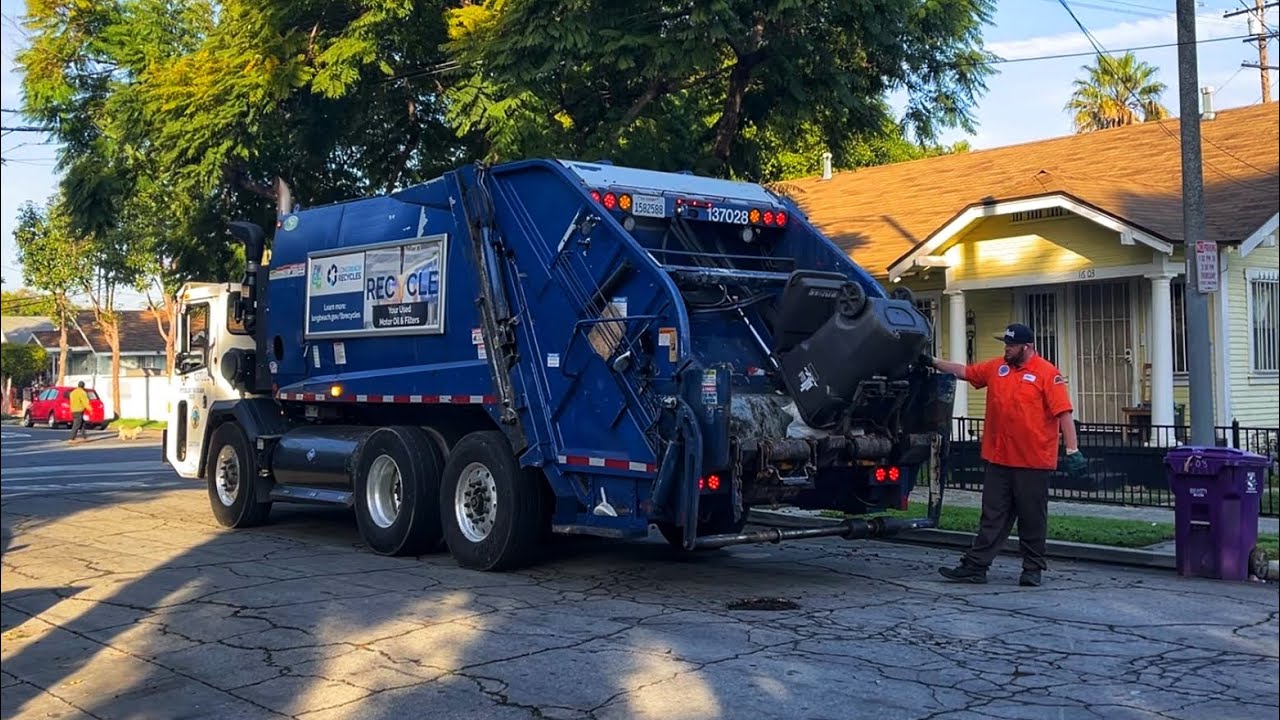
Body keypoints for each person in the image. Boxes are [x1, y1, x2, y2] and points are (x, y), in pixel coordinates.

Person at [920, 323, 1087, 587]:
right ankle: (976, 567)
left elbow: (1063, 412)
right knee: (992, 514)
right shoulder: (998, 368)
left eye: (1011, 345)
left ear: (1027, 347)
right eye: (1005, 344)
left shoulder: (1047, 374)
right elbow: (965, 371)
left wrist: (1072, 449)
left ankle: (1032, 568)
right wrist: (932, 361)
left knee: (1032, 516)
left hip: (1032, 461)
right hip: (999, 458)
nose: (1006, 349)